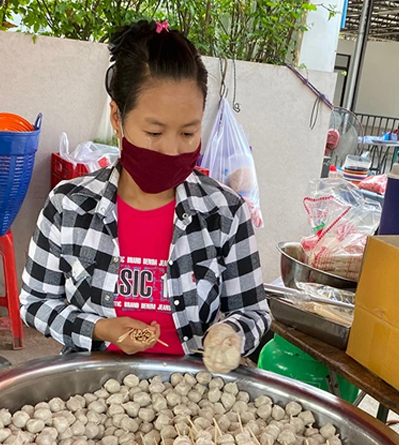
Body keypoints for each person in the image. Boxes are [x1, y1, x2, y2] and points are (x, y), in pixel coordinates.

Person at [20, 20, 271, 374]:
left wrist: (231, 333)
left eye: (188, 133)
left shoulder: (225, 214)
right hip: (91, 388)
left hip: (191, 392)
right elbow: (35, 303)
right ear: (117, 118)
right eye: (154, 132)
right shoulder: (69, 207)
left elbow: (253, 311)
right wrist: (101, 329)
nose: (171, 150)